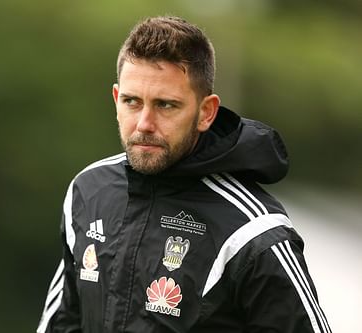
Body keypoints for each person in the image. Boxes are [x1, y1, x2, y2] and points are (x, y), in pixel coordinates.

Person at [37, 16, 331, 333]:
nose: (144, 124)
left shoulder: (253, 232)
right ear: (116, 99)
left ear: (206, 112)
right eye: (132, 101)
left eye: (165, 105)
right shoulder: (88, 191)